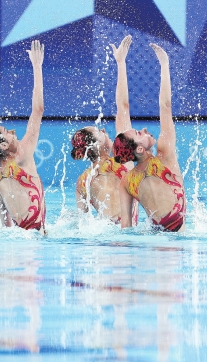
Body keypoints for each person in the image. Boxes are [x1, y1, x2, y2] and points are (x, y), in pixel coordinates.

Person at [113, 43, 186, 232]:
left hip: (152, 243)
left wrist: (120, 63)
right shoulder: (165, 156)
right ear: (139, 149)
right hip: (178, 244)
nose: (144, 129)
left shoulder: (127, 181)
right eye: (139, 133)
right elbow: (166, 106)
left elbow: (126, 229)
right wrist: (164, 64)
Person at [0, 40, 45, 232]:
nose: (13, 133)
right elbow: (38, 110)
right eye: (7, 133)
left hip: (16, 242)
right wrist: (37, 66)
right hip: (36, 239)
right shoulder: (22, 156)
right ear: (3, 146)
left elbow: (6, 226)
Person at [71, 35, 137, 224]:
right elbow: (123, 107)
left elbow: (83, 224)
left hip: (103, 238)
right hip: (128, 236)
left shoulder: (82, 181)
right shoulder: (122, 160)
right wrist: (121, 63)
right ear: (99, 146)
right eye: (100, 132)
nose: (104, 130)